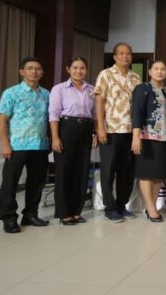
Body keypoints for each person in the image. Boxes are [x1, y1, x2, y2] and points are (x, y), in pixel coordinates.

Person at [0, 57, 51, 233]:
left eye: (38, 68)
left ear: (42, 72)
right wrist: (5, 144)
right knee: (10, 183)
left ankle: (31, 214)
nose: (34, 71)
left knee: (36, 183)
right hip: (17, 145)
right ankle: (9, 218)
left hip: (40, 146)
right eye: (30, 68)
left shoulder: (47, 94)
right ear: (22, 72)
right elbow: (2, 120)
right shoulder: (11, 93)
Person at [94, 43, 142, 223]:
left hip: (131, 131)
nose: (125, 56)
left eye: (128, 53)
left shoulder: (136, 78)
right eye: (121, 53)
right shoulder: (105, 75)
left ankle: (122, 206)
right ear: (114, 57)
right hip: (111, 130)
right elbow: (99, 101)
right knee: (108, 171)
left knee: (127, 172)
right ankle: (110, 207)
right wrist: (100, 127)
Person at [49, 56, 97, 225]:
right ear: (68, 69)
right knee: (64, 172)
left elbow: (95, 114)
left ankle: (77, 211)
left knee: (82, 171)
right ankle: (64, 213)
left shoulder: (91, 89)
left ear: (86, 70)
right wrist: (55, 137)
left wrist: (95, 133)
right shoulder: (59, 89)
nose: (79, 71)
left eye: (82, 68)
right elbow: (54, 114)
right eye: (75, 67)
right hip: (66, 129)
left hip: (86, 129)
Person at [131, 61, 166, 222]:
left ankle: (152, 206)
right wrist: (136, 136)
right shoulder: (143, 88)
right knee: (147, 174)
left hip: (164, 138)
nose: (160, 71)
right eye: (156, 69)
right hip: (147, 137)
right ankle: (150, 208)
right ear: (150, 71)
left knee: (159, 175)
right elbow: (136, 112)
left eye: (163, 69)